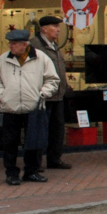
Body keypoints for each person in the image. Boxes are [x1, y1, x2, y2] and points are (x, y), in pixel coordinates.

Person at [0, 29, 59, 185]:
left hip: (33, 107)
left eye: (14, 43)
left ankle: (31, 172)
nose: (10, 46)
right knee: (9, 143)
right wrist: (3, 95)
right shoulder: (3, 59)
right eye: (10, 43)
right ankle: (11, 173)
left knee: (34, 142)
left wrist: (42, 94)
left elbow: (52, 79)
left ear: (24, 44)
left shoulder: (41, 58)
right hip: (10, 108)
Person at [32, 15, 71, 170]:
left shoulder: (54, 45)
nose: (58, 30)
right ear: (44, 29)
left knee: (57, 129)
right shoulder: (35, 45)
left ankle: (54, 159)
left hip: (58, 96)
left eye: (58, 27)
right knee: (40, 130)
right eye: (54, 27)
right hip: (44, 96)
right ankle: (35, 162)